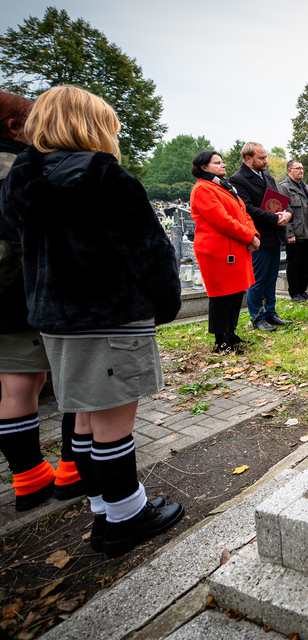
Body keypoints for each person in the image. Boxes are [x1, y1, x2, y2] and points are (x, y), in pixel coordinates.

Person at [0, 85, 183, 556]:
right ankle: (127, 514)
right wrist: (165, 304)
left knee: (83, 416)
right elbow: (148, 250)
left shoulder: (22, 178)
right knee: (112, 421)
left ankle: (103, 508)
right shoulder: (102, 174)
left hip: (55, 319)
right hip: (107, 313)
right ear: (90, 124)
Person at [0, 90, 83, 511]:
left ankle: (29, 477)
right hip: (31, 289)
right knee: (71, 379)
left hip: (3, 299)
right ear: (16, 128)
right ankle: (73, 467)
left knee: (15, 385)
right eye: (32, 118)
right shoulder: (24, 167)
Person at [189, 151, 259, 353]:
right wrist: (249, 236)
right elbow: (221, 220)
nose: (223, 165)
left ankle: (230, 332)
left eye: (222, 161)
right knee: (222, 294)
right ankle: (221, 340)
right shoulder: (203, 189)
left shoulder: (222, 186)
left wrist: (253, 233)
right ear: (204, 167)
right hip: (217, 250)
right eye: (217, 162)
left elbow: (242, 213)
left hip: (235, 246)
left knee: (236, 291)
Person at [229, 142, 291, 331]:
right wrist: (274, 218)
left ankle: (270, 313)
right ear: (248, 159)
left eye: (265, 157)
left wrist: (287, 213)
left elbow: (277, 202)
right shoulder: (238, 179)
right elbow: (247, 208)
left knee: (271, 278)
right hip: (258, 236)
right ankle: (258, 317)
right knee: (257, 279)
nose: (265, 161)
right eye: (261, 158)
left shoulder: (268, 177)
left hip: (274, 234)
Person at [276, 160, 308, 302]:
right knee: (294, 263)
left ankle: (303, 291)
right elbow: (283, 211)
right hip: (295, 232)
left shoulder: (307, 188)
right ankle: (294, 292)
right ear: (289, 171)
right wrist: (289, 233)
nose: (301, 171)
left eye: (302, 168)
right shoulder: (284, 188)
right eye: (298, 168)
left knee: (305, 263)